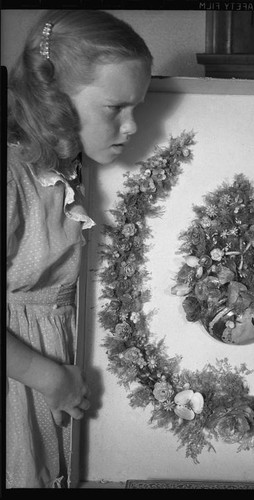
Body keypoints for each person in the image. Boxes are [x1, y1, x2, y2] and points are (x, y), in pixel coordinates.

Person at [6, 10, 152, 488]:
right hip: (21, 375)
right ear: (55, 98)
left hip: (62, 363)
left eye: (139, 108)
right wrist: (47, 377)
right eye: (115, 108)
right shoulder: (11, 176)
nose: (131, 127)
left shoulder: (71, 166)